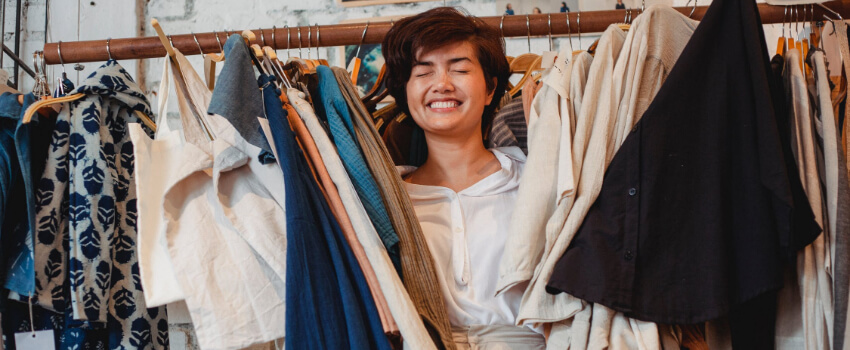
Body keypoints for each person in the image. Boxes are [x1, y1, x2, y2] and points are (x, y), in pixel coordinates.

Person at [382, 7, 545, 349]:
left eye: (459, 69)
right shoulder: (386, 201)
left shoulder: (534, 180)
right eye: (423, 73)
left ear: (489, 90)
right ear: (406, 94)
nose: (442, 84)